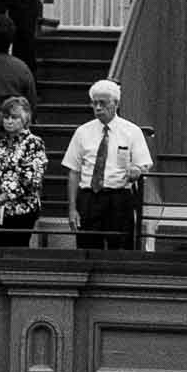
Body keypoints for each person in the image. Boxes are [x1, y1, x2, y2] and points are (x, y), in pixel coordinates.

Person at [63, 79, 152, 251]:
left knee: (120, 249)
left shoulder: (132, 131)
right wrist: (72, 209)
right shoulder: (82, 132)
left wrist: (137, 170)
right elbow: (73, 171)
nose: (97, 108)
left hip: (118, 198)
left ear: (116, 103)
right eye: (94, 103)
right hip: (89, 197)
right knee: (87, 249)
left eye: (102, 103)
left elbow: (144, 164)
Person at [0, 94, 45, 245]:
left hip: (21, 211)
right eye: (6, 117)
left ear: (26, 118)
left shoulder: (34, 143)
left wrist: (3, 196)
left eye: (14, 117)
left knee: (14, 255)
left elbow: (32, 179)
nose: (9, 121)